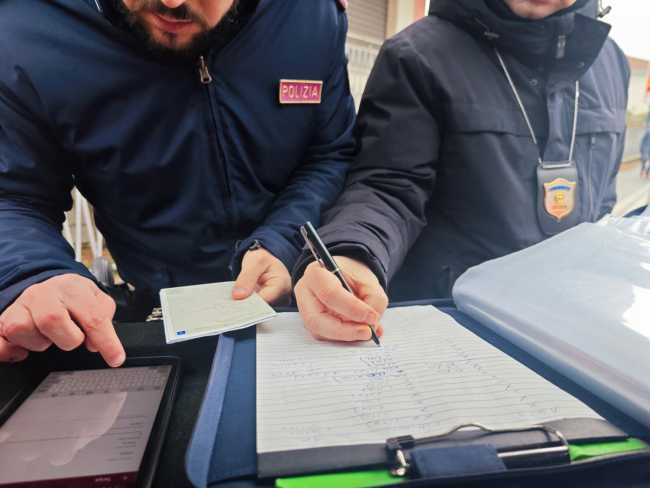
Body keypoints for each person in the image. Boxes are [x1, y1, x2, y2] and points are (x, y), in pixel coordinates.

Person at [0, 0, 355, 365]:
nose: (171, 2)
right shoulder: (26, 31)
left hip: (302, 296)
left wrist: (283, 240)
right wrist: (34, 272)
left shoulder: (310, 15)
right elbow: (13, 195)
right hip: (158, 314)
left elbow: (328, 153)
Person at [294, 0, 630, 342]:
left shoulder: (611, 62)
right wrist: (356, 253)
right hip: (455, 326)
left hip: (570, 328)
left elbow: (603, 202)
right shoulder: (418, 54)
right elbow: (388, 185)